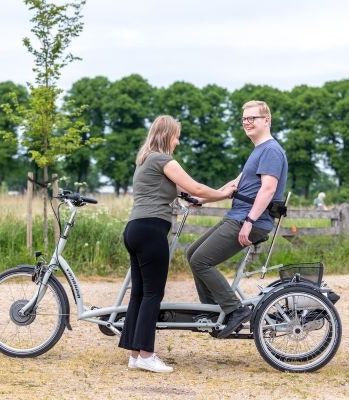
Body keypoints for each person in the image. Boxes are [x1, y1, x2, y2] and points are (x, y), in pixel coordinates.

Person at [119, 115, 236, 373]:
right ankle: (148, 355)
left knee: (139, 293)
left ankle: (135, 354)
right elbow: (195, 186)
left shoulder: (145, 161)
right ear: (167, 135)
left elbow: (182, 193)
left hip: (135, 229)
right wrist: (224, 193)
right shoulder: (163, 159)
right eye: (177, 135)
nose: (178, 141)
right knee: (152, 294)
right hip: (151, 230)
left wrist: (195, 198)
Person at [186, 100, 288, 339]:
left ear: (267, 120)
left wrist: (250, 221)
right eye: (244, 119)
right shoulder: (258, 151)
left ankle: (234, 310)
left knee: (201, 260)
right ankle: (213, 314)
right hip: (238, 216)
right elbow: (234, 186)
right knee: (192, 254)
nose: (247, 122)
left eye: (252, 118)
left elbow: (268, 189)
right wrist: (201, 200)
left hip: (249, 220)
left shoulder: (271, 150)